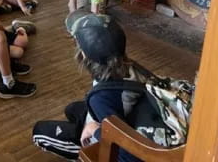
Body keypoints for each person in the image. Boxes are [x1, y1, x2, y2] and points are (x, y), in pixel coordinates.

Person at [32, 13, 146, 162]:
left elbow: (126, 153)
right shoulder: (130, 66)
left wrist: (94, 130)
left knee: (38, 131)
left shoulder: (101, 98)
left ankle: (81, 154)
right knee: (72, 108)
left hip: (105, 144)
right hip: (125, 119)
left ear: (85, 55)